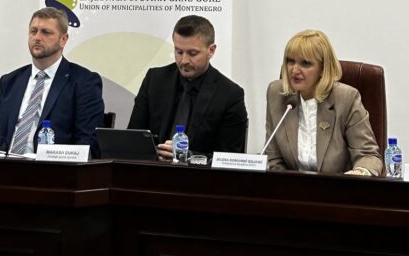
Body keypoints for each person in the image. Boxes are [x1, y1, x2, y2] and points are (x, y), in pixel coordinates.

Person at [0, 7, 104, 156]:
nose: (37, 37)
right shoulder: (9, 82)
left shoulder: (84, 82)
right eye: (33, 31)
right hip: (6, 165)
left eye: (46, 32)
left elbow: (87, 144)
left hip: (52, 168)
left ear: (63, 40)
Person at [128, 15, 247, 159]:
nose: (183, 60)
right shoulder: (155, 80)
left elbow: (230, 158)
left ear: (211, 50)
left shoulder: (229, 95)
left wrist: (188, 156)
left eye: (192, 53)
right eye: (178, 52)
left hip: (198, 172)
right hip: (152, 169)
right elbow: (133, 138)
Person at [264, 29, 382, 175]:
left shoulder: (346, 98)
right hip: (291, 187)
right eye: (290, 61)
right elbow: (274, 158)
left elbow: (368, 155)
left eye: (305, 63)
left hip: (336, 186)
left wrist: (360, 172)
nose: (294, 70)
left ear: (323, 69)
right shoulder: (276, 94)